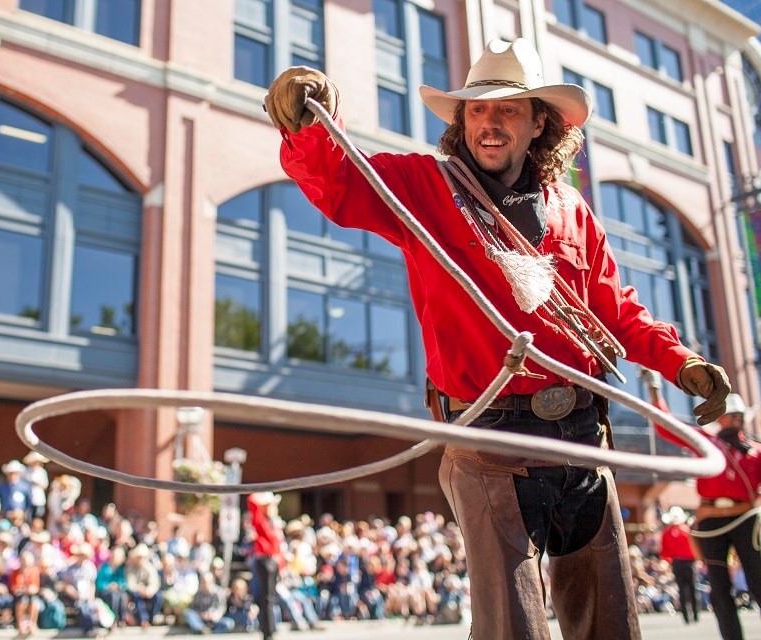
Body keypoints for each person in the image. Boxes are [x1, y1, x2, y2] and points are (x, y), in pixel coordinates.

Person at [264, 37, 730, 640]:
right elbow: (338, 182)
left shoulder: (572, 210)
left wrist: (681, 361)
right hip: (487, 440)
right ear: (462, 122)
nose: (489, 121)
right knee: (512, 627)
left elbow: (616, 309)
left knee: (609, 621)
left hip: (584, 436)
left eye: (507, 109)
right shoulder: (422, 187)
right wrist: (305, 122)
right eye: (477, 110)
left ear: (540, 122)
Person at [644, 370, 760, 640]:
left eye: (740, 416)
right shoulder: (707, 444)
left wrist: (732, 509)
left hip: (745, 519)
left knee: (758, 579)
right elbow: (666, 426)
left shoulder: (755, 452)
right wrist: (654, 390)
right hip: (712, 524)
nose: (736, 420)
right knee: (719, 589)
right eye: (732, 415)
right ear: (720, 417)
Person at [247, 492, 282, 639]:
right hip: (264, 561)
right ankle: (267, 632)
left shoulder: (272, 521)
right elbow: (251, 501)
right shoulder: (259, 519)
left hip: (273, 560)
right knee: (265, 598)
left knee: (271, 598)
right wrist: (260, 495)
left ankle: (271, 629)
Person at [659, 506, 699, 625]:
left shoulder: (667, 533)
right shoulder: (687, 530)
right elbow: (694, 547)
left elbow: (665, 552)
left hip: (676, 563)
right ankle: (695, 614)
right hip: (689, 562)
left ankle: (686, 616)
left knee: (682, 589)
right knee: (692, 588)